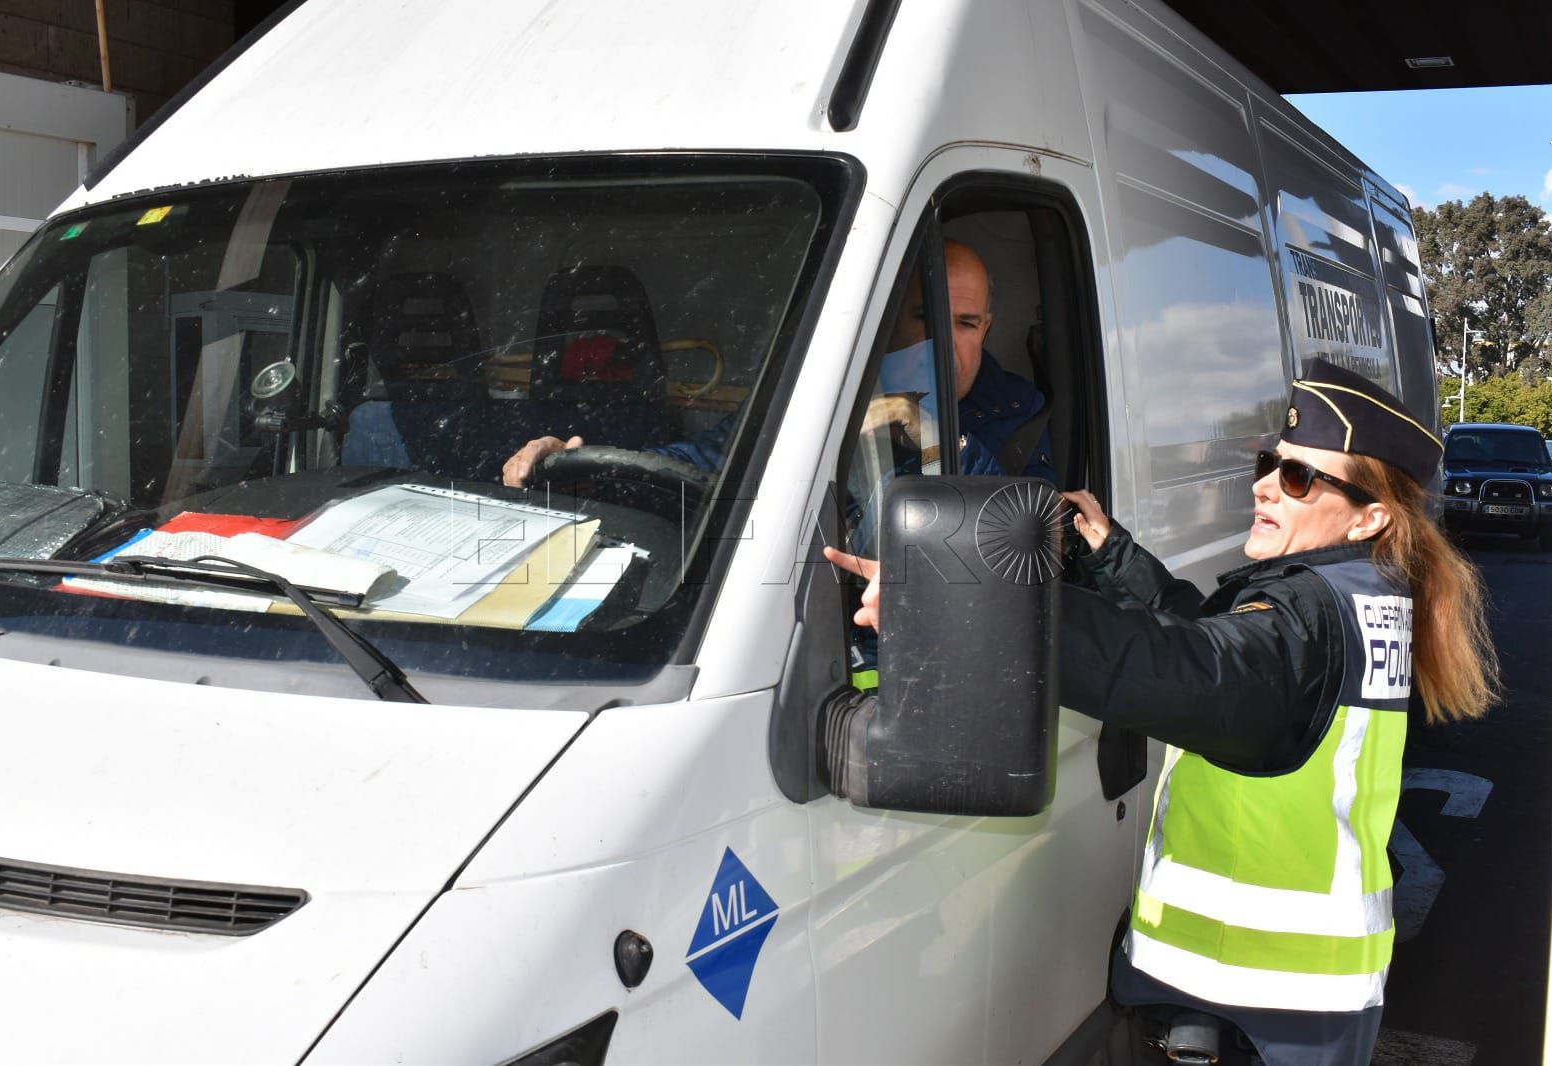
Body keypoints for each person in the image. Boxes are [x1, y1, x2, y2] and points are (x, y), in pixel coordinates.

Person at [825, 358, 1498, 1066]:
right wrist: (1117, 559)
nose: (1265, 486)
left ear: (1371, 517)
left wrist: (956, 599)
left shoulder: (1303, 623)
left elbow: (1180, 671)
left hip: (1248, 1007)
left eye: (1299, 479)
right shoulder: (1357, 599)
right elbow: (1218, 653)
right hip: (1295, 1001)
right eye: (1272, 463)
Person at [500, 240, 1057, 488]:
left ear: (986, 328)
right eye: (924, 320)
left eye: (964, 324)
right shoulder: (826, 385)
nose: (944, 346)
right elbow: (703, 460)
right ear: (886, 325)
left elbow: (1031, 539)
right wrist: (584, 465)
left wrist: (934, 437)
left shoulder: (1025, 420)